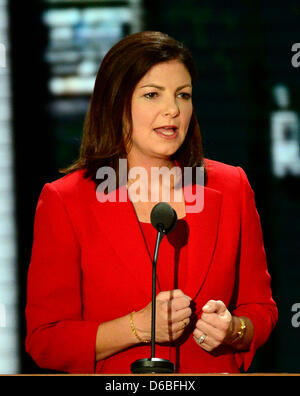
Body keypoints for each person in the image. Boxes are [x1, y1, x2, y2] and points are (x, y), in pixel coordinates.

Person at [25, 31, 278, 374]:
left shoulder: (232, 186)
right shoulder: (66, 200)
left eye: (183, 95)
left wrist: (234, 330)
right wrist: (137, 327)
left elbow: (261, 308)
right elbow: (46, 340)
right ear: (116, 104)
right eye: (152, 95)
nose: (172, 109)